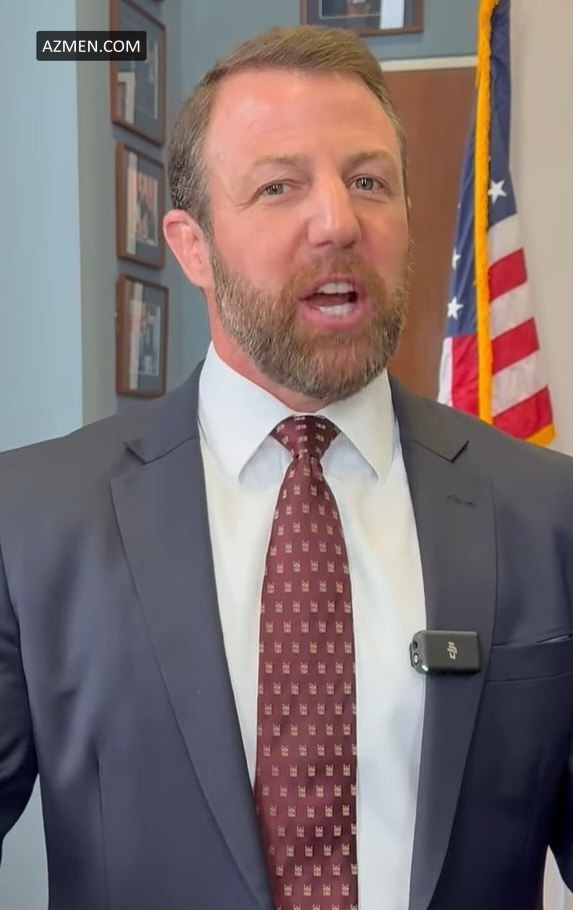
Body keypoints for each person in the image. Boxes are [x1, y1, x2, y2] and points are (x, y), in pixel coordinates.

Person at [0, 24, 572, 910]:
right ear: (192, 246)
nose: (338, 223)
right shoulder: (32, 520)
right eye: (278, 186)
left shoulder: (547, 514)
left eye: (369, 181)